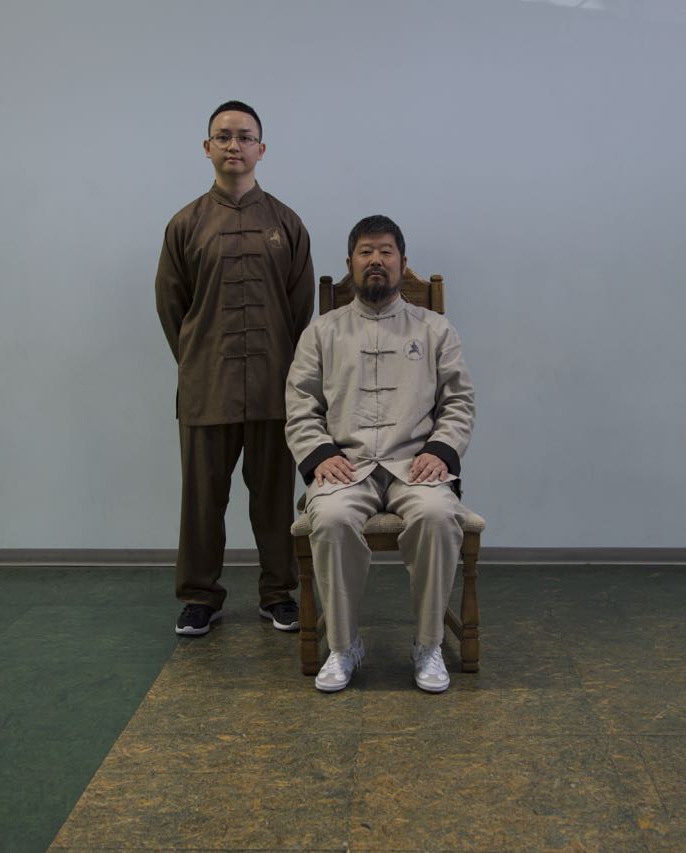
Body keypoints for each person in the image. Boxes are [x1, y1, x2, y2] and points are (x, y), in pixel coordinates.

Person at [285, 215, 475, 692]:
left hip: (416, 464)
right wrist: (320, 454)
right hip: (346, 466)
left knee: (437, 515)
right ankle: (343, 646)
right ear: (350, 263)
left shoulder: (435, 329)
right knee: (330, 519)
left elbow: (459, 401)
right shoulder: (322, 332)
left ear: (402, 263)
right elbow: (300, 403)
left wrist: (441, 451)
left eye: (386, 251)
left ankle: (428, 644)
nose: (376, 260)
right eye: (365, 252)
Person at [155, 100, 315, 637]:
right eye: (223, 136)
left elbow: (299, 308)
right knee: (202, 502)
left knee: (273, 499)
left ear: (261, 149)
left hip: (273, 386)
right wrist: (198, 358)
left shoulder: (287, 223)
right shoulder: (185, 224)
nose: (234, 145)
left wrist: (279, 358)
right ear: (207, 148)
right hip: (207, 388)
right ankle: (200, 596)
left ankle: (279, 593)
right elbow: (172, 306)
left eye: (245, 137)